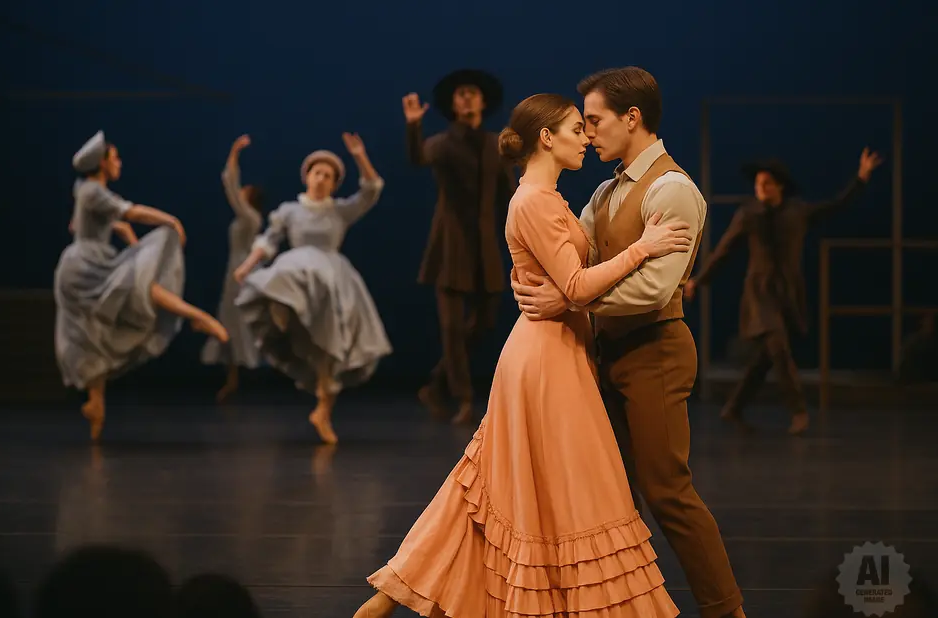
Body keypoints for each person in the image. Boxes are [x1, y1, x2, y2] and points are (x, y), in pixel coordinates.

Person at [352, 93, 691, 618]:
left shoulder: (549, 197)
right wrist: (644, 247)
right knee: (566, 487)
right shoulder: (532, 200)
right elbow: (576, 287)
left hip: (556, 348)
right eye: (577, 129)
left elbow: (571, 284)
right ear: (546, 138)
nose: (586, 138)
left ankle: (396, 591)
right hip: (545, 357)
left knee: (500, 485)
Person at [510, 67, 747, 618]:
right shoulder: (606, 189)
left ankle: (726, 609)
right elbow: (576, 257)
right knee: (609, 498)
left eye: (594, 121)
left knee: (667, 493)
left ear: (632, 117)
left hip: (655, 350)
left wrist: (569, 299)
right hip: (606, 351)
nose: (588, 134)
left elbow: (654, 287)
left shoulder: (672, 189)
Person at [683, 151, 883, 433]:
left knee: (767, 355)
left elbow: (836, 206)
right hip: (760, 293)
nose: (760, 188)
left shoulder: (797, 212)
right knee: (778, 345)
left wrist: (860, 179)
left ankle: (734, 407)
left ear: (780, 186)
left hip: (787, 293)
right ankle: (799, 411)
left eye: (766, 183)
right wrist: (698, 281)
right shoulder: (749, 214)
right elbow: (724, 251)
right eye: (757, 184)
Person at [55, 130, 229, 441]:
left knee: (95, 330)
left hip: (85, 262)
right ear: (102, 163)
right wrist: (170, 221)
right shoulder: (93, 190)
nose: (119, 163)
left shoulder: (85, 189)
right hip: (86, 266)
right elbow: (130, 212)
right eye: (115, 158)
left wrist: (124, 235)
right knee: (137, 291)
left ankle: (96, 403)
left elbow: (86, 223)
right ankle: (197, 316)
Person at [233, 132, 390, 444]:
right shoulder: (290, 210)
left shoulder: (339, 210)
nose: (322, 179)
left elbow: (371, 190)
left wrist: (360, 157)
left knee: (332, 346)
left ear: (334, 184)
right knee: (281, 280)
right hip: (298, 269)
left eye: (328, 176)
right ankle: (285, 316)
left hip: (332, 280)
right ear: (307, 177)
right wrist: (248, 265)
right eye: (317, 173)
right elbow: (269, 241)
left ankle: (323, 409)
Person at [401, 68, 516, 424]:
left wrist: (520, 243)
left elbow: (508, 199)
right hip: (450, 247)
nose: (466, 97)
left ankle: (435, 383)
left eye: (472, 92)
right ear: (452, 104)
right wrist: (413, 126)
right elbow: (418, 157)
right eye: (460, 93)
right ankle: (464, 397)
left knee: (483, 324)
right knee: (451, 328)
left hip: (484, 248)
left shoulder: (495, 144)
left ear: (482, 101)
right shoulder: (444, 142)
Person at [200, 134, 265, 402]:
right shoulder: (246, 217)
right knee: (230, 319)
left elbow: (229, 182)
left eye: (244, 191)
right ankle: (233, 378)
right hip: (234, 270)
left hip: (245, 271)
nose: (240, 193)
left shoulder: (250, 217)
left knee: (243, 321)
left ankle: (250, 374)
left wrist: (235, 152)